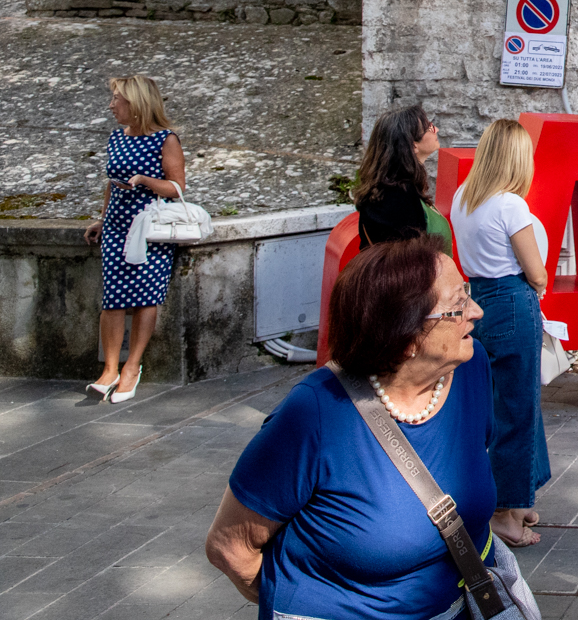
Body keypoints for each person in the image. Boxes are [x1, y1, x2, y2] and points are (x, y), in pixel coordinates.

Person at [205, 238, 528, 619]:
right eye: (458, 305)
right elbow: (231, 547)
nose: (477, 311)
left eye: (467, 294)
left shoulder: (470, 367)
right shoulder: (314, 414)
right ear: (407, 337)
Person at [447, 118, 552, 549]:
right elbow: (537, 272)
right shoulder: (510, 205)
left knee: (494, 405)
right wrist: (541, 283)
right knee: (518, 407)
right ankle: (505, 514)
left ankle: (518, 497)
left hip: (477, 300)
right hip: (512, 299)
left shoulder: (462, 198)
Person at [84, 75, 188, 403]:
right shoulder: (117, 137)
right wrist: (102, 219)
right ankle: (110, 369)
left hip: (150, 229)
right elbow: (111, 184)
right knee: (112, 299)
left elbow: (178, 187)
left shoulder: (165, 140)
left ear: (137, 103)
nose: (112, 105)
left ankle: (132, 366)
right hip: (117, 226)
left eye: (117, 99)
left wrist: (144, 180)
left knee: (146, 297)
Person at [354, 103, 453, 250]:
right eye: (430, 128)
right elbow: (409, 261)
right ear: (413, 146)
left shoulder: (396, 189)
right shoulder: (397, 197)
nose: (436, 130)